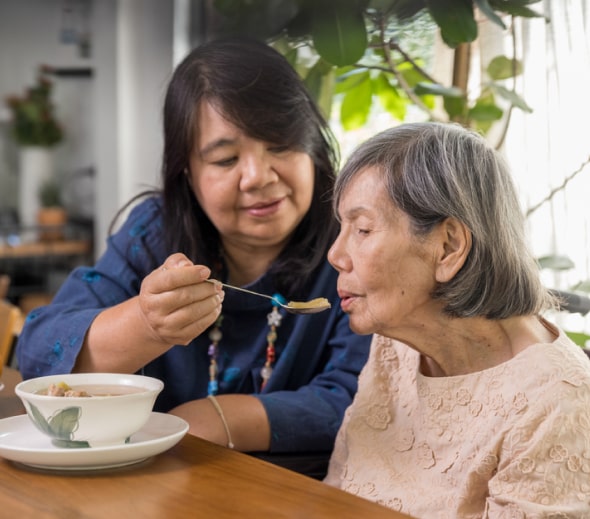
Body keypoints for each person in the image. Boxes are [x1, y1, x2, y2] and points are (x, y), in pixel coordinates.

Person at [16, 37, 371, 455]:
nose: (257, 176)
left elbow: (360, 397)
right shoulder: (154, 233)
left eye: (280, 144)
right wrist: (146, 324)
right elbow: (39, 354)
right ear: (186, 171)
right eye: (225, 160)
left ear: (312, 146)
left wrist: (214, 419)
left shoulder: (355, 244)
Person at [323, 122, 590, 517]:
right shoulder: (397, 345)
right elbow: (335, 497)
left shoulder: (558, 404)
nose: (335, 255)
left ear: (448, 246)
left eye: (362, 229)